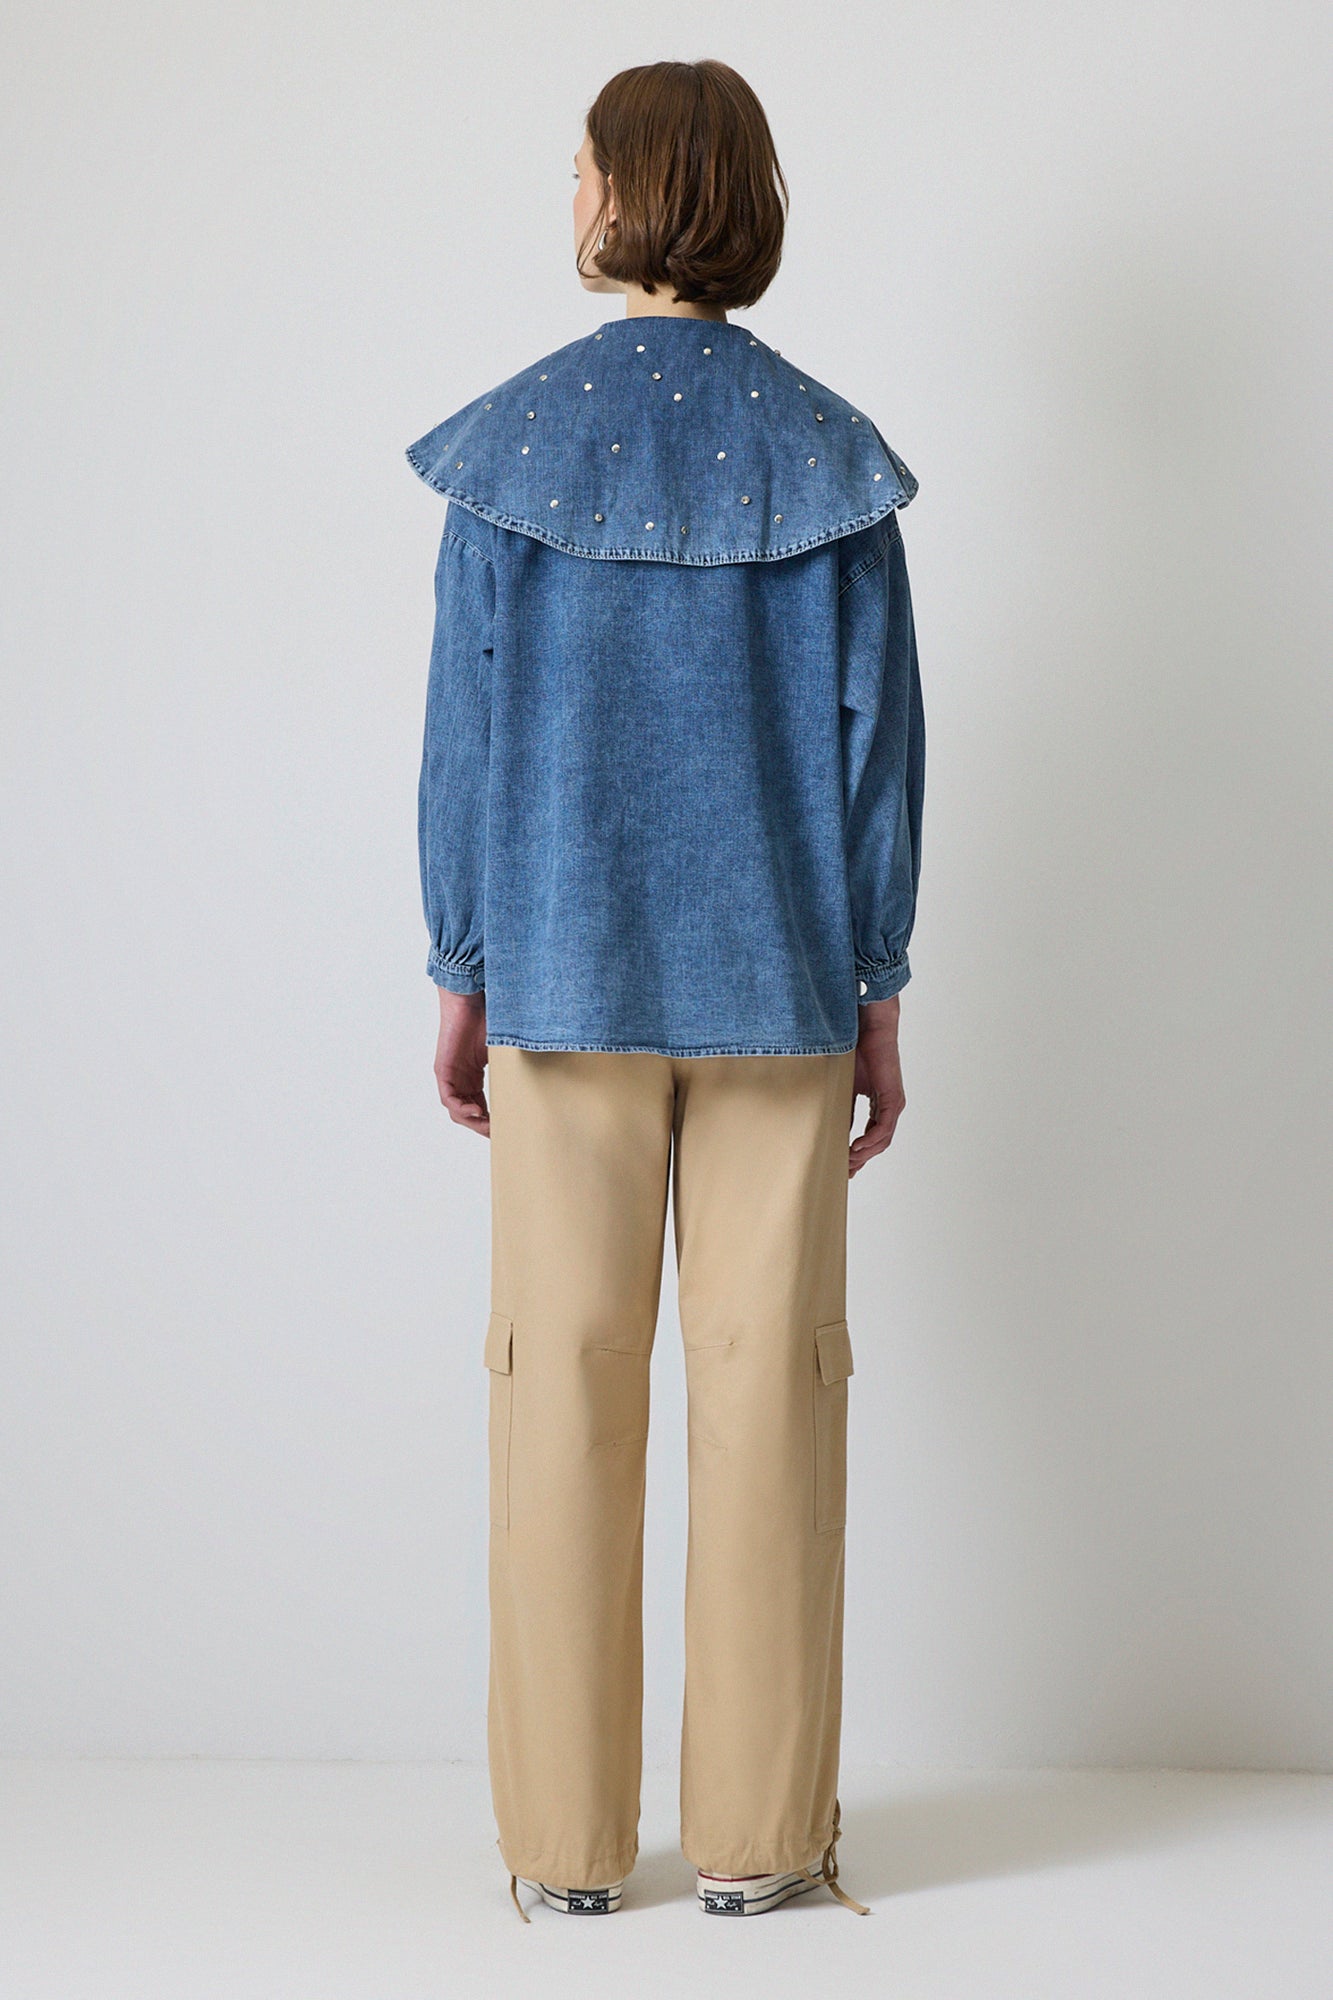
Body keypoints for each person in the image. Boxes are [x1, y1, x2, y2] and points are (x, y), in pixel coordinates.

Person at [404, 58, 924, 1921]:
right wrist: (876, 992)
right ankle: (760, 1844)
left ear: (628, 197)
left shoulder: (506, 457)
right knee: (769, 1397)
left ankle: (561, 1858)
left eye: (579, 168)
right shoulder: (833, 459)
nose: (566, 193)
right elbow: (877, 761)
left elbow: (463, 747)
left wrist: (461, 971)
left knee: (559, 1393)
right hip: (779, 992)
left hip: (559, 983)